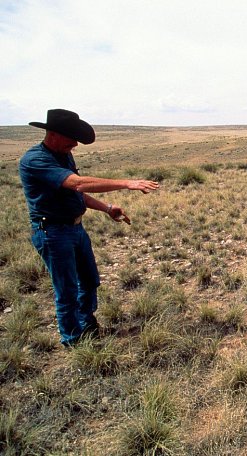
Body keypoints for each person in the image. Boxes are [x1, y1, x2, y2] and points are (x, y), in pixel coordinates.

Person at [19, 109, 160, 347]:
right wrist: (126, 183)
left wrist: (107, 208)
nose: (74, 144)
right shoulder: (35, 160)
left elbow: (77, 194)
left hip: (75, 229)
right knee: (66, 290)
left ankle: (87, 324)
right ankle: (73, 341)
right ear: (52, 134)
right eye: (70, 137)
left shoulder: (63, 155)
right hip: (52, 232)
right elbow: (78, 184)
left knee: (89, 280)